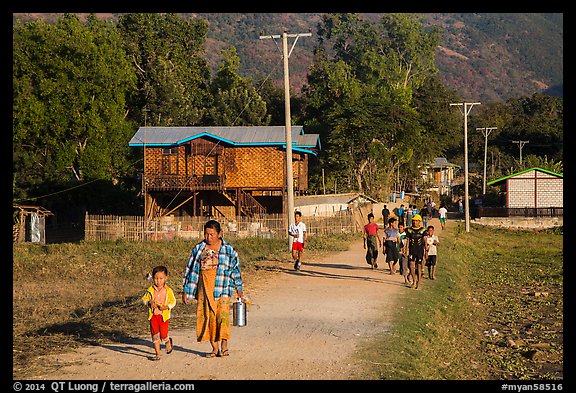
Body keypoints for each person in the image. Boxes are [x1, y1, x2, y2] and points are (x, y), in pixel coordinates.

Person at [182, 220, 244, 358]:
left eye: (212, 234)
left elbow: (235, 270)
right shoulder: (198, 249)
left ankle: (224, 346)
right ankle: (214, 348)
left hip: (223, 288)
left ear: (219, 234)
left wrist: (239, 288)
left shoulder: (229, 249)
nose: (208, 237)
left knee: (222, 316)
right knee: (208, 318)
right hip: (204, 289)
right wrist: (186, 289)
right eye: (206, 234)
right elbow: (190, 269)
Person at [142, 265, 176, 361]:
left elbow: (173, 301)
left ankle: (168, 342)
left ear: (165, 278)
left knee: (163, 335)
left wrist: (167, 307)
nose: (158, 281)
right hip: (153, 316)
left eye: (161, 278)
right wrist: (149, 302)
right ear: (153, 278)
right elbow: (144, 299)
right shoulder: (150, 290)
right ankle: (157, 353)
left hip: (163, 316)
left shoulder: (168, 291)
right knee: (155, 335)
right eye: (156, 278)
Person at [403, 214, 428, 289]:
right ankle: (414, 281)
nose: (415, 222)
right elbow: (407, 241)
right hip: (412, 250)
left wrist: (426, 252)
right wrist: (406, 250)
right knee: (411, 266)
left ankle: (419, 283)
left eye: (416, 221)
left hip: (420, 251)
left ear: (419, 221)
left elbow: (425, 241)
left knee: (419, 267)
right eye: (413, 221)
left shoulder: (423, 230)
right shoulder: (409, 230)